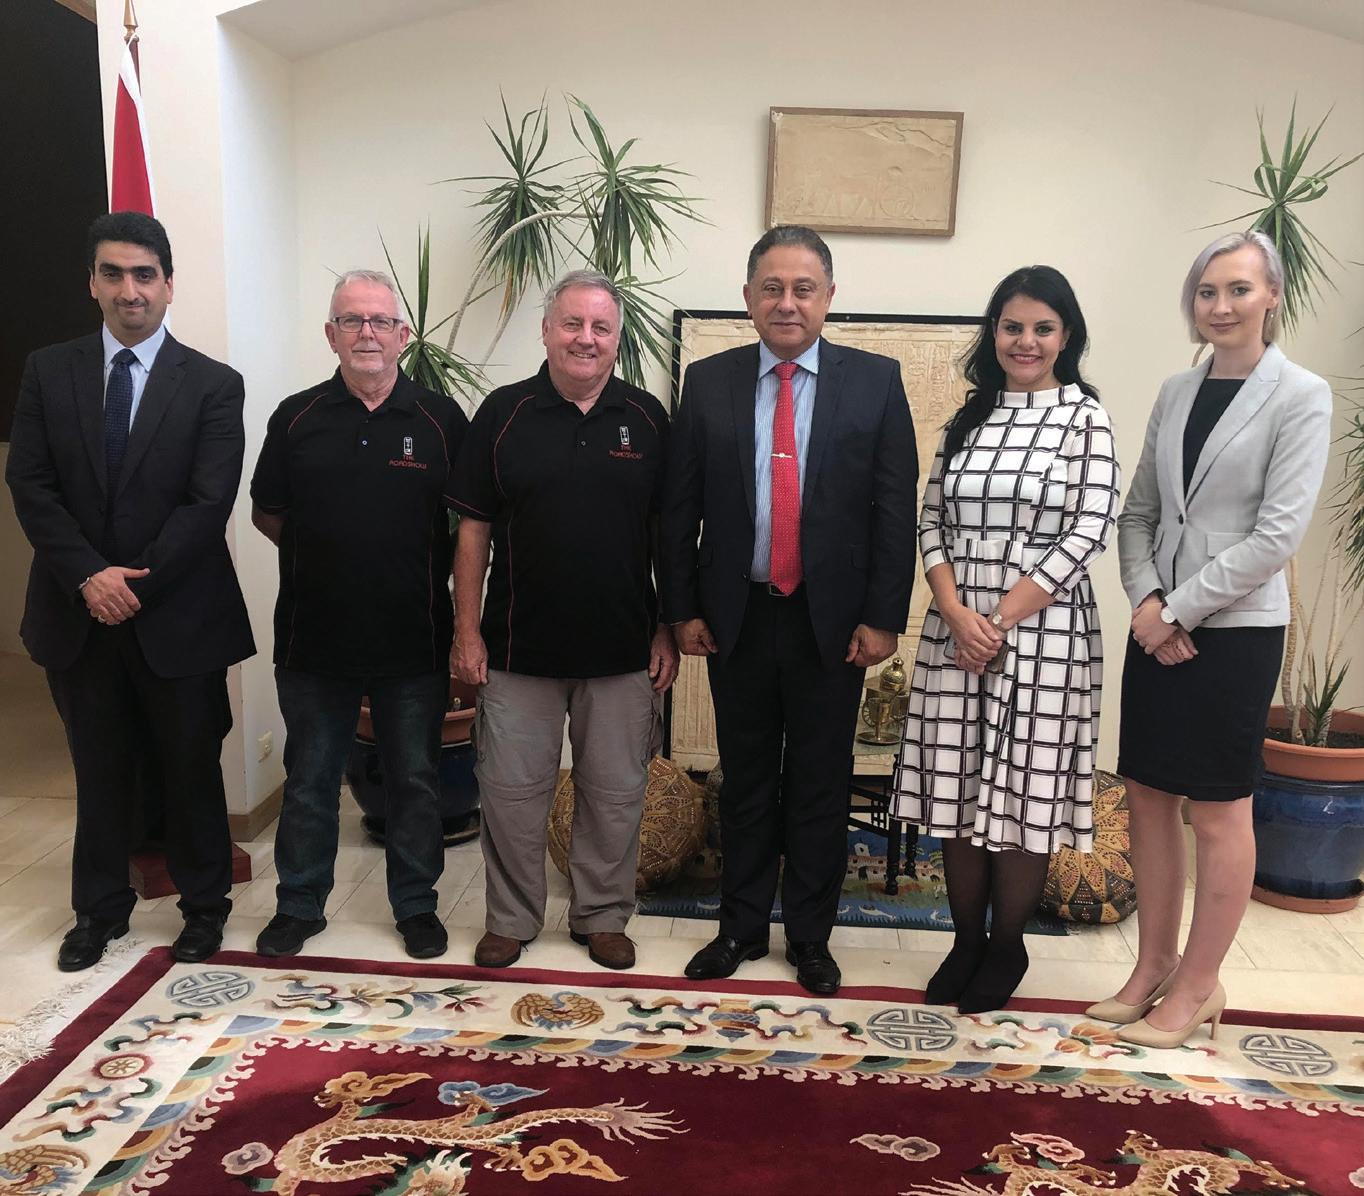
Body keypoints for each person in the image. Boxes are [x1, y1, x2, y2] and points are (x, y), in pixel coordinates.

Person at [661, 226, 918, 996]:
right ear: (748, 298)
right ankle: (739, 928)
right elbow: (678, 509)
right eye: (771, 288)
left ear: (829, 297)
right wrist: (681, 608)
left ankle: (810, 939)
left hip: (831, 624)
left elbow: (893, 508)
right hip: (735, 616)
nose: (787, 302)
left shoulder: (875, 382)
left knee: (818, 783)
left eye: (803, 288)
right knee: (744, 781)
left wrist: (884, 617)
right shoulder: (708, 382)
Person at [1090, 231, 1332, 1047]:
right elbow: (1139, 513)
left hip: (1234, 633)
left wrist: (1179, 611)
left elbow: (1277, 535)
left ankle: (1198, 987)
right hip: (1157, 621)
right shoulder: (1176, 390)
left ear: (1272, 295)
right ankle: (1153, 965)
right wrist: (1148, 602)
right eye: (1206, 292)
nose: (1220, 306)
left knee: (1221, 811)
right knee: (1148, 797)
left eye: (1237, 289)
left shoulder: (1301, 395)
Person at [6, 211, 255, 970]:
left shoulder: (213, 384)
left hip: (178, 614)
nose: (129, 290)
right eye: (113, 273)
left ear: (169, 285)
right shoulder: (49, 371)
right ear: (92, 283)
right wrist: (89, 575)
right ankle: (98, 912)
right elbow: (31, 483)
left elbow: (207, 503)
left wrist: (132, 582)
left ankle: (204, 909)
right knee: (98, 768)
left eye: (144, 274)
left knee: (190, 768)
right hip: (76, 613)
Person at [892, 266, 1119, 1014]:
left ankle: (1008, 944)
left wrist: (996, 622)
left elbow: (1088, 530)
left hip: (1043, 633)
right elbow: (931, 519)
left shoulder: (1084, 418)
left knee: (1022, 791)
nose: (1026, 341)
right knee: (956, 787)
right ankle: (965, 940)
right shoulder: (970, 416)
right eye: (1012, 326)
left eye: (1042, 328)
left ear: (1066, 336)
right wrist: (956, 612)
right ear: (994, 333)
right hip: (955, 631)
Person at [450, 270, 676, 972]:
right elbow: (472, 531)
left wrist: (666, 628)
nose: (586, 338)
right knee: (512, 796)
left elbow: (668, 537)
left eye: (601, 327)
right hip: (518, 650)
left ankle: (601, 916)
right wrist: (466, 632)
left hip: (622, 651)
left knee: (615, 794)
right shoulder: (503, 414)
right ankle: (511, 919)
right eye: (572, 323)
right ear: (546, 330)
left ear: (617, 338)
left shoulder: (648, 420)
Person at [250, 269, 468, 960]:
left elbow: (469, 525)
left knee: (414, 782)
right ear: (331, 334)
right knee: (310, 781)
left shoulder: (441, 421)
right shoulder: (296, 417)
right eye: (352, 320)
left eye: (380, 321)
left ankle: (416, 906)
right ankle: (299, 904)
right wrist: (331, 560)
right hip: (314, 642)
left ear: (403, 335)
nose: (366, 333)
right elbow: (268, 513)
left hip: (414, 641)